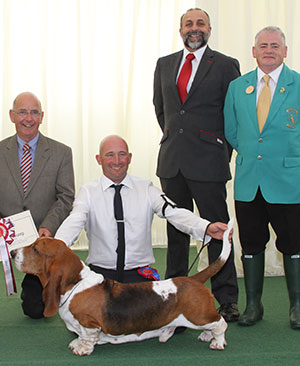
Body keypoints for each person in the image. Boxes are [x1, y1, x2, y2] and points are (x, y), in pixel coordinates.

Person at [153, 8, 240, 321]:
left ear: (209, 29)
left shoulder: (227, 65)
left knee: (217, 232)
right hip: (172, 162)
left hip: (209, 163)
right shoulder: (164, 65)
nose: (194, 28)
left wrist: (219, 148)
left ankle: (227, 298)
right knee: (177, 233)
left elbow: (234, 115)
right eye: (188, 23)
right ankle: (173, 300)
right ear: (180, 30)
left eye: (200, 23)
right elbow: (161, 110)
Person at [55, 135, 231, 285]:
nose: (117, 161)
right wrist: (58, 245)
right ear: (99, 159)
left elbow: (174, 212)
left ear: (130, 157)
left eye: (122, 155)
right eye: (110, 155)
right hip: (100, 275)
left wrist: (206, 227)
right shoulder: (87, 191)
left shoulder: (146, 188)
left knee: (157, 324)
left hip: (140, 275)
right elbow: (75, 220)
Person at [224, 26, 300, 329]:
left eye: (275, 45)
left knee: (293, 244)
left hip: (289, 182)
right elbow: (231, 130)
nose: (269, 50)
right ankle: (253, 306)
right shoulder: (237, 87)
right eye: (263, 45)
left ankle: (296, 307)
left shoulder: (297, 85)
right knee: (251, 244)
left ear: (284, 51)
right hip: (248, 181)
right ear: (254, 51)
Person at [0, 92, 75, 318]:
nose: (28, 118)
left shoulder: (61, 153)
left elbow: (66, 196)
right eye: (22, 112)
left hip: (40, 243)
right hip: (5, 239)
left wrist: (48, 227)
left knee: (36, 310)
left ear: (42, 117)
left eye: (34, 112)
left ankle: (32, 289)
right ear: (12, 115)